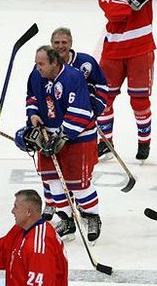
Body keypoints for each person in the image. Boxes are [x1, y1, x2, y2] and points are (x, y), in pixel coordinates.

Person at [18, 45, 102, 242]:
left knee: (79, 185)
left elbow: (81, 111)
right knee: (53, 182)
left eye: (41, 64)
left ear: (54, 63)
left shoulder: (73, 77)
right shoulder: (36, 76)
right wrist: (34, 115)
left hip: (78, 138)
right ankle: (67, 221)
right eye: (36, 63)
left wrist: (63, 136)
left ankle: (92, 218)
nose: (37, 67)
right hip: (48, 136)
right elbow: (31, 97)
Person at [42, 26, 108, 224]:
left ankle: (84, 209)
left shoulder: (85, 63)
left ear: (71, 43)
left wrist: (94, 108)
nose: (60, 46)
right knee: (51, 174)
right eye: (56, 43)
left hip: (79, 128)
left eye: (64, 42)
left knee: (76, 176)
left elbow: (103, 86)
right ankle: (55, 204)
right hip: (53, 126)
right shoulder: (43, 66)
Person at [97, 0, 156, 161]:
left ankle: (144, 143)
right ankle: (105, 143)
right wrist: (130, 3)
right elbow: (116, 14)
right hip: (112, 51)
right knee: (103, 98)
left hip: (141, 49)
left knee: (140, 101)